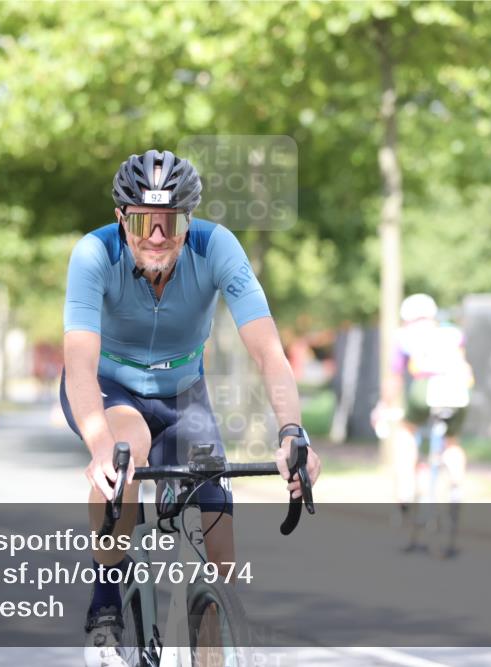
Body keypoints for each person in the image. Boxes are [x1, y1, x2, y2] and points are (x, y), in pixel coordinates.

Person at [60, 149, 321, 666]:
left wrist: (293, 430)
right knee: (123, 448)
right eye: (142, 221)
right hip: (112, 390)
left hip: (184, 394)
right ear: (120, 218)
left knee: (220, 554)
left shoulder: (217, 246)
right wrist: (97, 446)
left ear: (189, 220)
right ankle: (106, 601)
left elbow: (268, 350)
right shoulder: (93, 255)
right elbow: (80, 363)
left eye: (170, 222)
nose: (156, 236)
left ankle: (211, 640)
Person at [372, 293, 473, 517]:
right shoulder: (452, 332)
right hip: (459, 389)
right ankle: (456, 485)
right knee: (452, 442)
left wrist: (383, 406)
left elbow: (394, 379)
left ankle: (406, 490)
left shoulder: (405, 336)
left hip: (427, 387)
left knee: (406, 431)